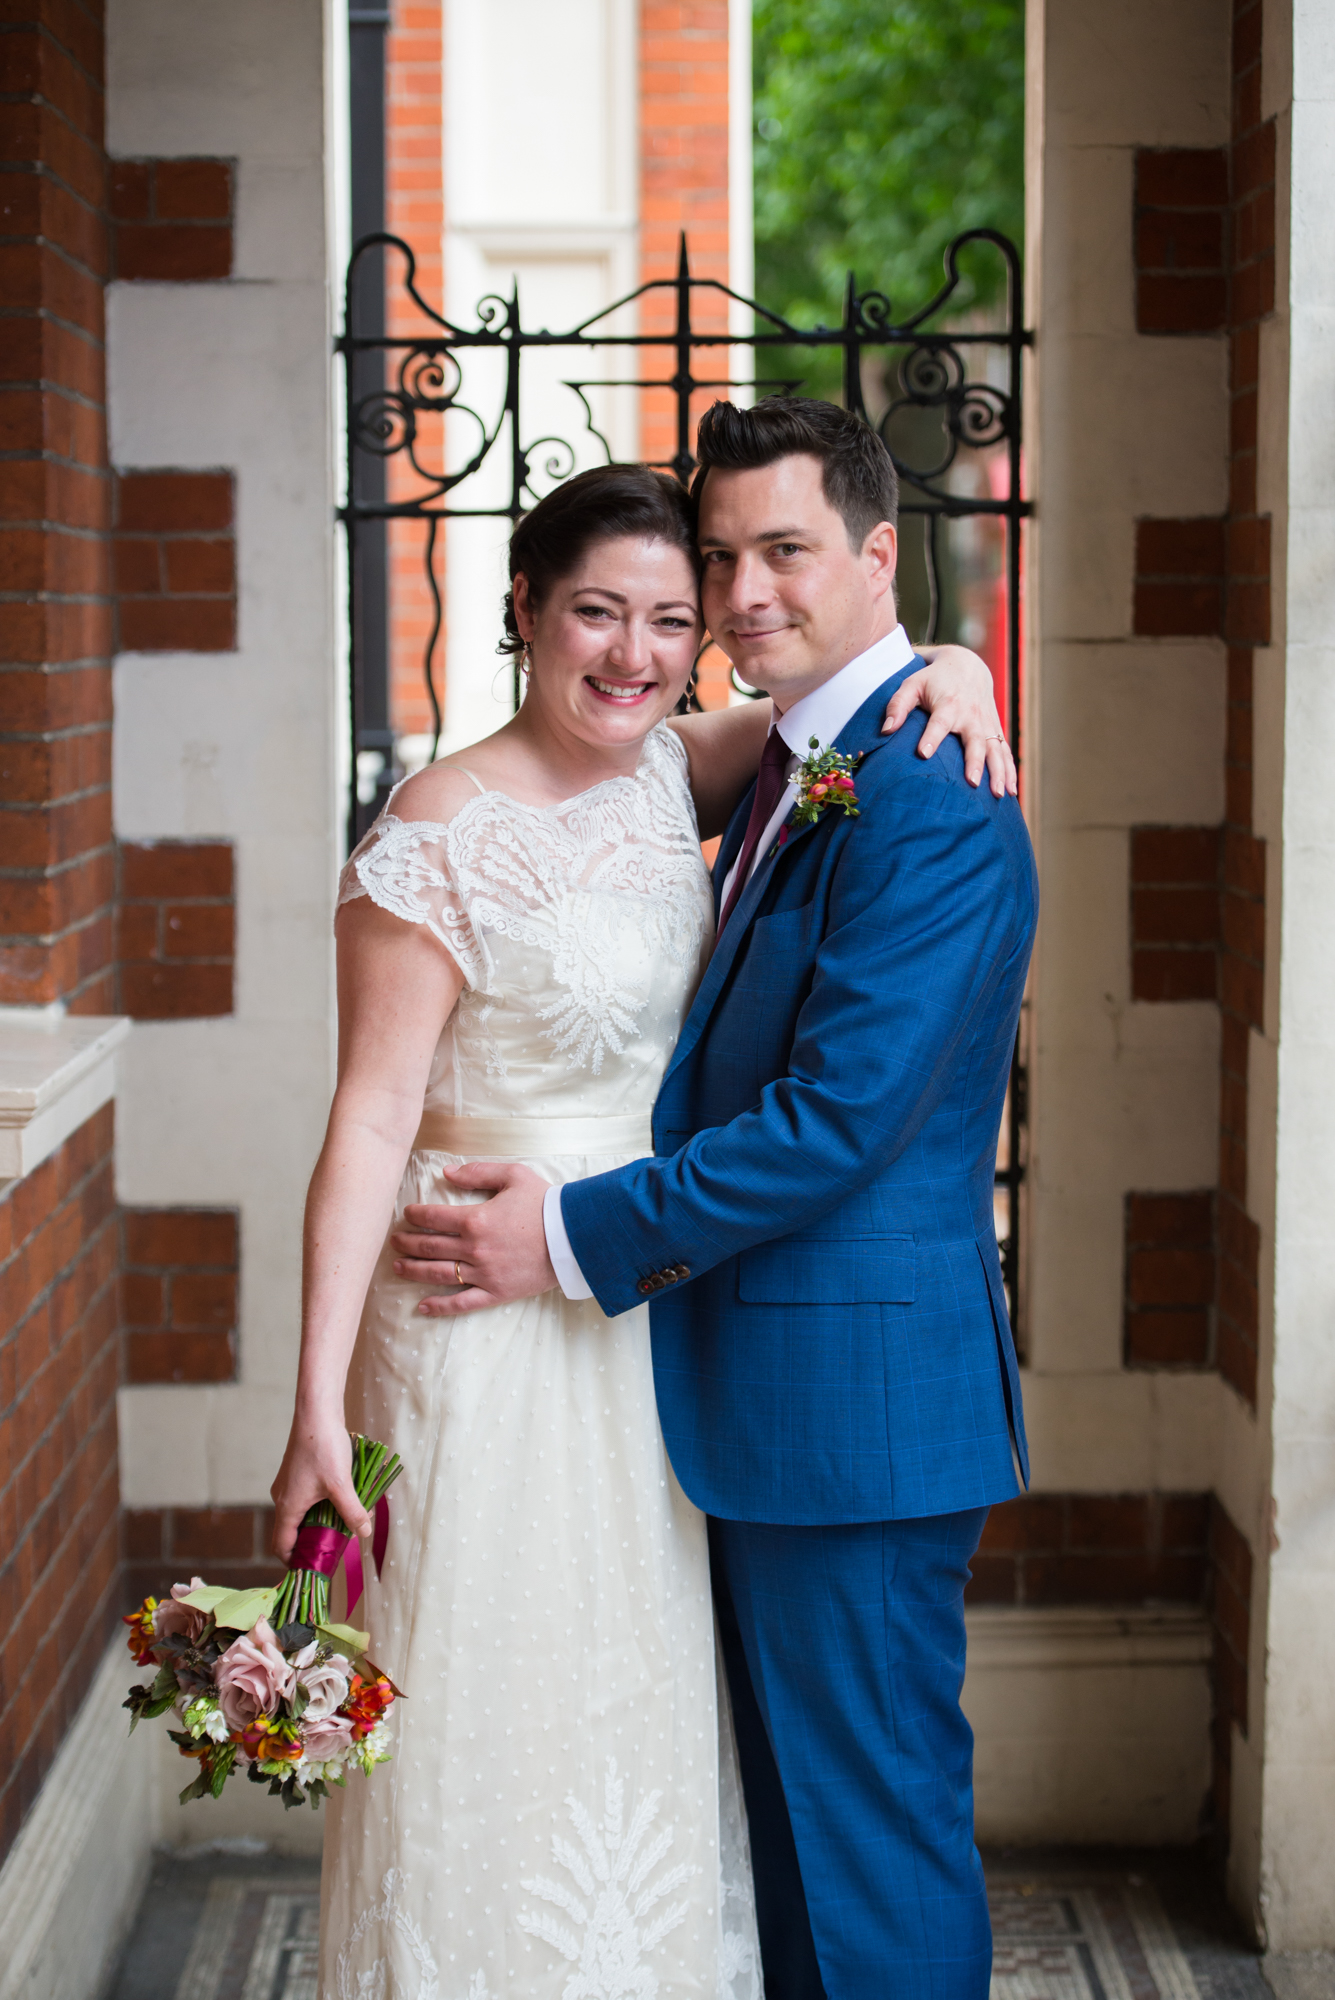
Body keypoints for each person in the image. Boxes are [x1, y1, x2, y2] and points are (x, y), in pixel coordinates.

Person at [271, 455, 1012, 2000]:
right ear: (525, 609)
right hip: (481, 1316)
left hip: (639, 1320)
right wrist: (314, 1408)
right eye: (598, 611)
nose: (638, 650)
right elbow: (368, 1122)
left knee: (653, 1729)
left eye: (672, 618)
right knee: (488, 1709)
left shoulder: (679, 767)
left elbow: (856, 703)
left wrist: (958, 665)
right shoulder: (440, 827)